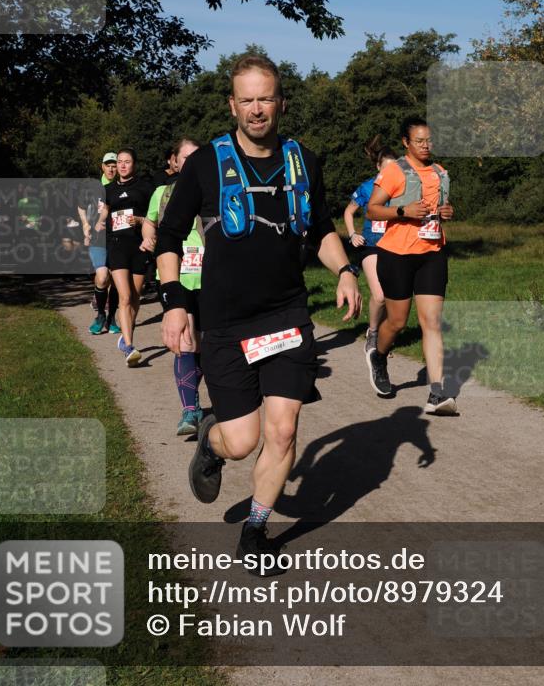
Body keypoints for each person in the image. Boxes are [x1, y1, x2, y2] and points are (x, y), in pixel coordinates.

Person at [156, 53, 361, 561]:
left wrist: (345, 270)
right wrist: (174, 304)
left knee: (284, 427)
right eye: (246, 99)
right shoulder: (206, 162)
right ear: (232, 105)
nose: (256, 109)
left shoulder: (304, 162)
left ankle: (256, 530)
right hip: (225, 322)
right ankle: (211, 439)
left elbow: (319, 229)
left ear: (280, 102)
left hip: (287, 315)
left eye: (265, 98)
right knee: (243, 440)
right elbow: (169, 235)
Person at [366, 116, 456, 414]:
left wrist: (446, 212)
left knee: (431, 322)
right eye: (420, 141)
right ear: (406, 142)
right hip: (396, 255)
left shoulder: (441, 172)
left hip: (432, 253)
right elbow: (372, 210)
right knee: (398, 322)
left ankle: (438, 393)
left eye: (429, 140)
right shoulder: (395, 171)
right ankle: (379, 355)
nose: (426, 145)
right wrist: (404, 210)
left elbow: (438, 210)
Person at [142, 138, 206, 437]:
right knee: (186, 342)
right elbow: (150, 221)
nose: (191, 162)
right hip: (178, 277)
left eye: (197, 156)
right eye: (186, 157)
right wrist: (147, 237)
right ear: (175, 162)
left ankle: (207, 397)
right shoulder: (162, 193)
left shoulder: (214, 190)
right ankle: (190, 410)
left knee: (207, 345)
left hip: (212, 278)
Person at [95, 148, 154, 364]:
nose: (122, 165)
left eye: (127, 162)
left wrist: (140, 221)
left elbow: (153, 214)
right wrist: (98, 222)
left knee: (136, 298)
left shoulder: (145, 187)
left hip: (139, 246)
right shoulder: (107, 189)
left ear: (134, 164)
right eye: (119, 162)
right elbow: (106, 210)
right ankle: (129, 347)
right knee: (125, 297)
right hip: (117, 245)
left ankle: (124, 338)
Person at [343, 138, 396, 355]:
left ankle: (384, 336)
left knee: (394, 297)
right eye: (386, 169)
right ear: (378, 167)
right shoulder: (367, 187)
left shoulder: (402, 190)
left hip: (395, 246)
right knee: (381, 295)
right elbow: (348, 212)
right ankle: (373, 333)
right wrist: (352, 234)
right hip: (371, 246)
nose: (390, 174)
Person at [79, 153, 120, 335]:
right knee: (102, 277)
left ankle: (111, 318)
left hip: (119, 239)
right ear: (102, 167)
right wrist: (85, 224)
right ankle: (100, 315)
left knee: (116, 281)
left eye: (114, 165)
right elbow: (80, 206)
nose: (111, 169)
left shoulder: (122, 186)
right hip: (98, 239)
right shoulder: (93, 187)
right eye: (108, 165)